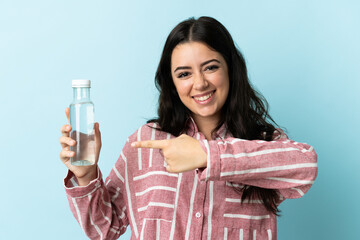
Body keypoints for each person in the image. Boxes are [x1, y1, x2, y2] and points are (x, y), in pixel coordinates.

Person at [59, 16, 318, 240]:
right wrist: (86, 175)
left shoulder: (262, 141)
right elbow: (104, 229)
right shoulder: (146, 143)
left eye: (211, 67)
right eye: (184, 74)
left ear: (231, 69)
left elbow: (305, 169)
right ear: (171, 83)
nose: (200, 83)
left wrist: (209, 156)